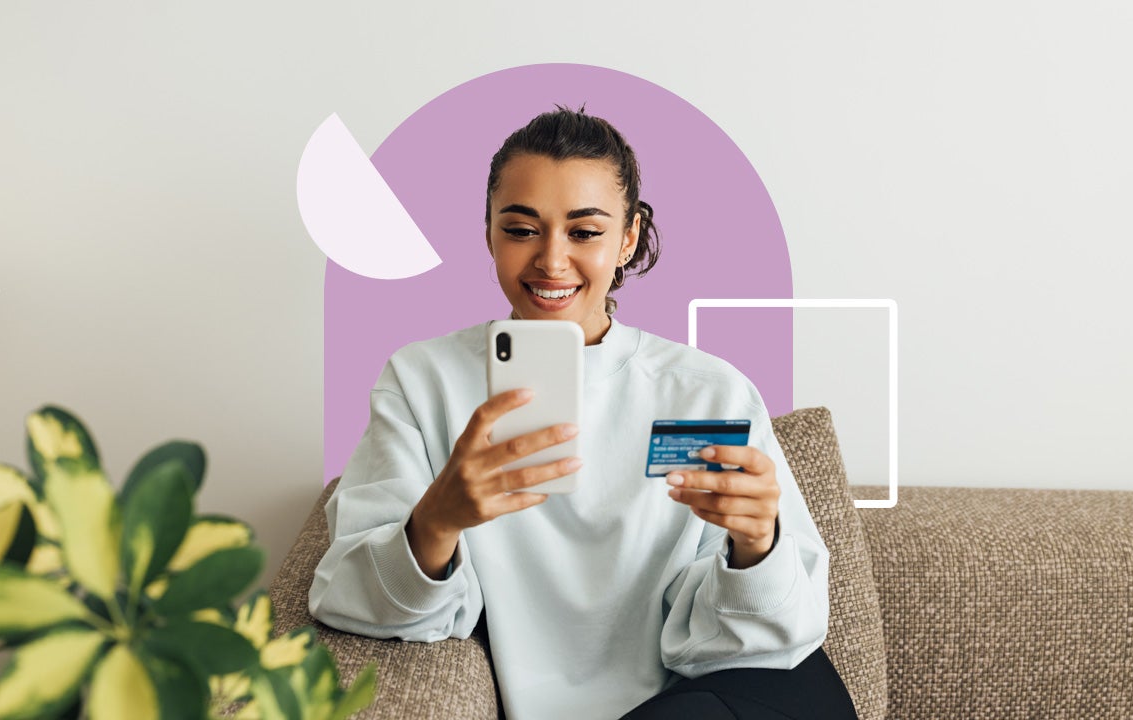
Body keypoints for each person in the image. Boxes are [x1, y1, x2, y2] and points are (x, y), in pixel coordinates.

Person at [309, 107, 859, 720]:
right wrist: (436, 521)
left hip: (728, 696)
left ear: (627, 238)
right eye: (520, 229)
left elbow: (773, 636)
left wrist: (757, 545)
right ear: (488, 233)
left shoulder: (704, 391)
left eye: (585, 232)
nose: (550, 260)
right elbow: (346, 598)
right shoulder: (424, 382)